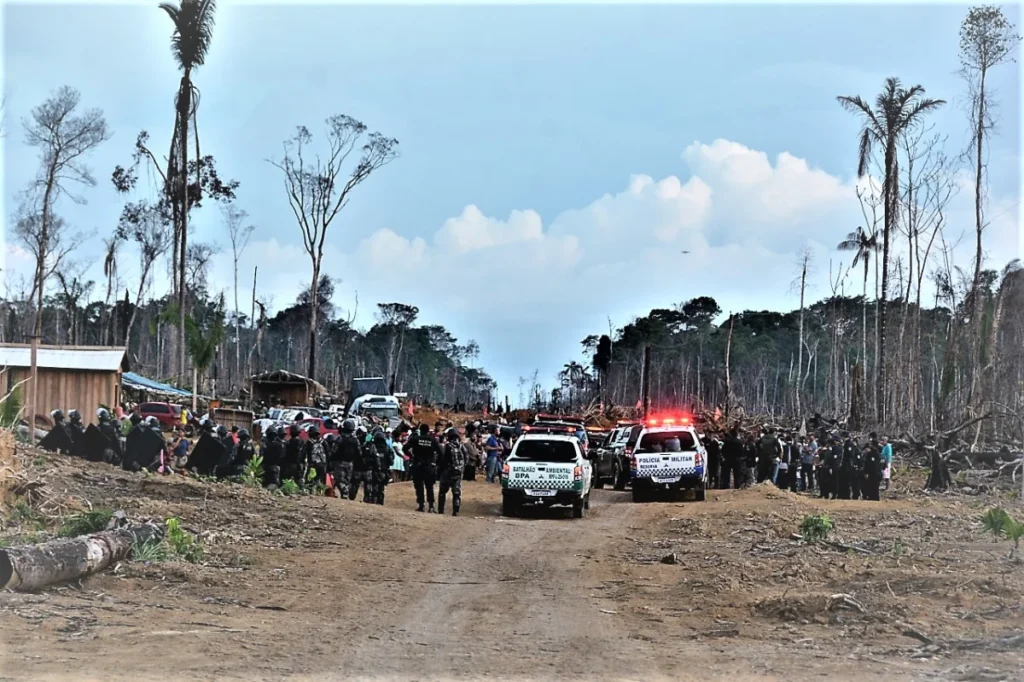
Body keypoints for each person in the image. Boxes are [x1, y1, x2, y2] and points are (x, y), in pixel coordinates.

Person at [407, 423, 442, 512]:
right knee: (429, 486)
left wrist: (411, 456)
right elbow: (441, 452)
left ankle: (421, 505)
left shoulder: (415, 439)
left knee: (419, 486)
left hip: (417, 465)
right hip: (429, 466)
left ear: (420, 431)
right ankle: (431, 506)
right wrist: (436, 463)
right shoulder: (433, 440)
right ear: (427, 431)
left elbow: (405, 448)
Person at [437, 427, 465, 517]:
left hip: (447, 473)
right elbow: (466, 457)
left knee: (442, 492)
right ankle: (455, 511)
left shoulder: (448, 446)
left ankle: (441, 510)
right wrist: (461, 468)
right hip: (458, 473)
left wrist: (440, 471)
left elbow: (444, 460)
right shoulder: (461, 446)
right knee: (456, 493)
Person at [330, 419, 361, 497]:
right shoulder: (355, 440)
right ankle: (345, 493)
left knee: (340, 480)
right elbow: (359, 453)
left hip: (339, 463)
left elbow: (333, 451)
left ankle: (345, 493)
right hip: (350, 463)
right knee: (346, 481)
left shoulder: (340, 438)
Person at [861, 432, 884, 501]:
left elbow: (871, 464)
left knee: (874, 488)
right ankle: (871, 497)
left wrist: (866, 472)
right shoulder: (875, 453)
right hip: (875, 473)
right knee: (871, 487)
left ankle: (874, 499)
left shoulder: (873, 454)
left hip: (875, 473)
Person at [371, 430, 393, 505]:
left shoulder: (372, 447)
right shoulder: (387, 448)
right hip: (383, 471)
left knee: (374, 486)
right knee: (381, 488)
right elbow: (391, 461)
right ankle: (380, 502)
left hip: (373, 470)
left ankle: (372, 501)